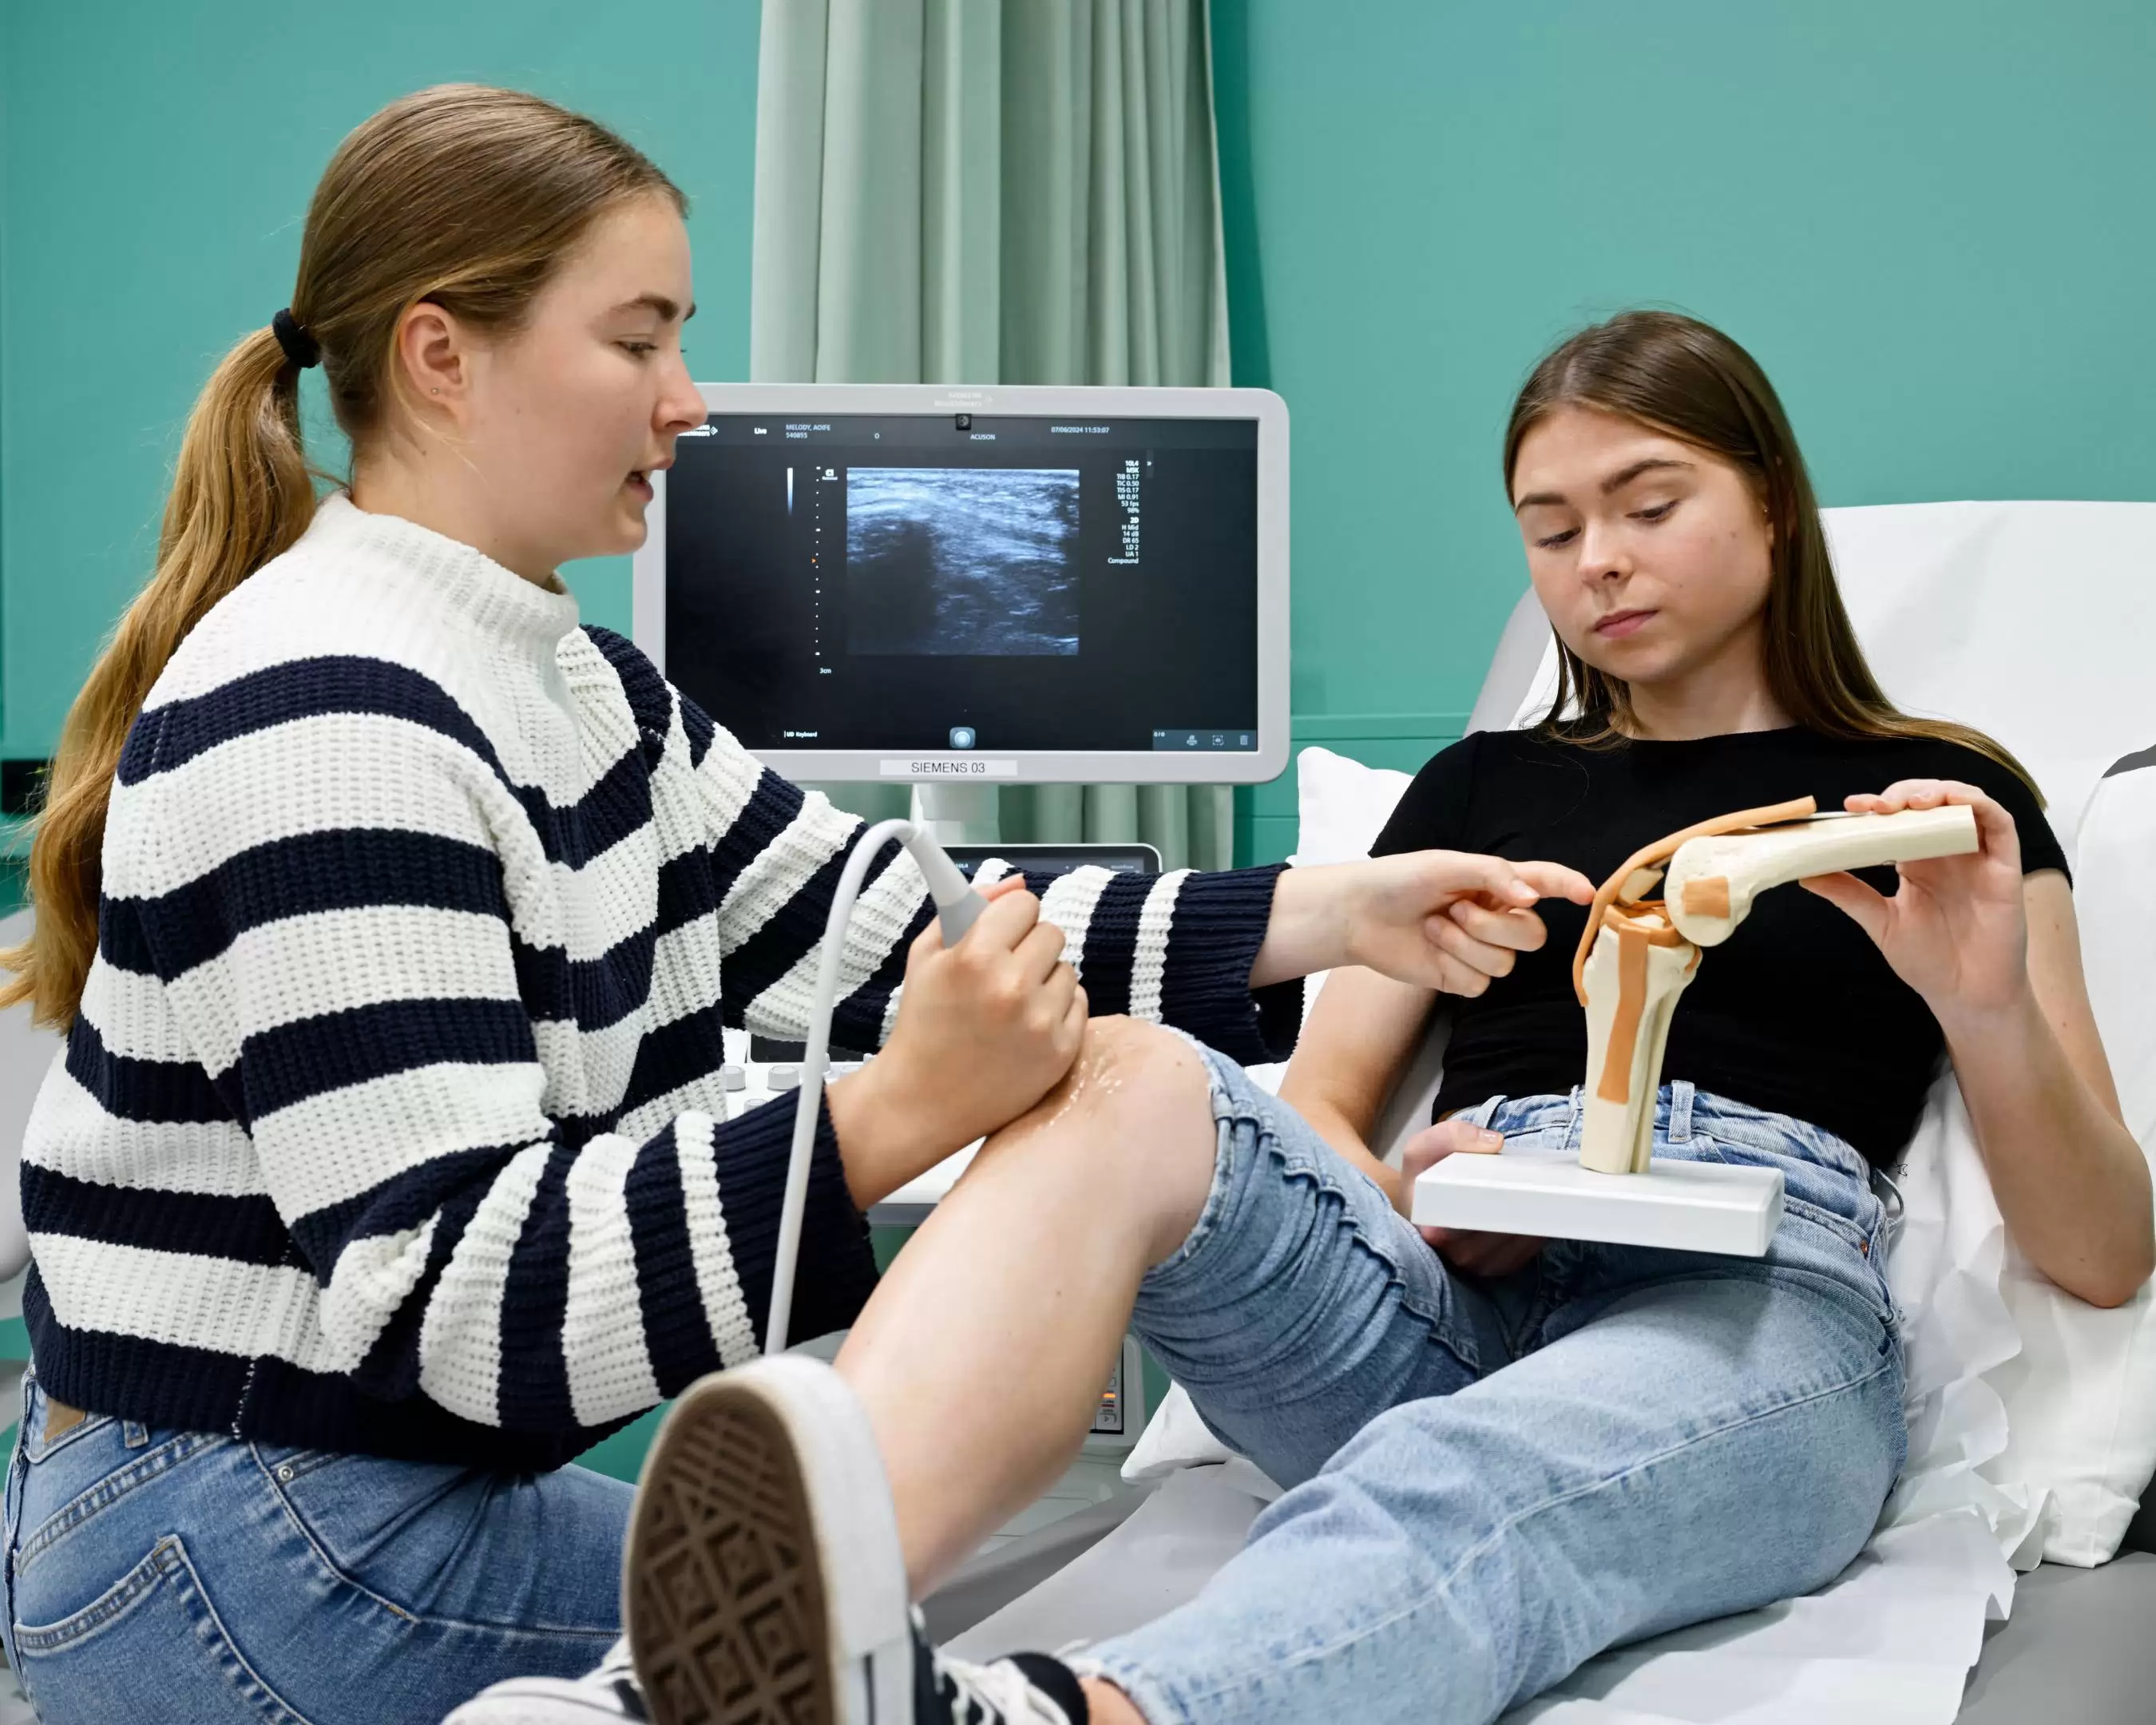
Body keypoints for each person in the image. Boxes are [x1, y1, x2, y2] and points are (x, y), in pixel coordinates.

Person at [0, 86, 1587, 1725]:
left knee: (869, 1679)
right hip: (241, 1545)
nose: (689, 403)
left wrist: (1338, 916)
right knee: (869, 1688)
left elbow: (888, 916)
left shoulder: (573, 683)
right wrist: (899, 1109)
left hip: (365, 1493)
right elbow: (469, 1310)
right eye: (638, 342)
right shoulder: (331, 716)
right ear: (440, 356)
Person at [462, 310, 2152, 1725]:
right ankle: (714, 1672)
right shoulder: (1477, 785)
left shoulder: (1932, 808)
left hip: (1750, 1308)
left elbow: (2100, 1253)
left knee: (1477, 1485)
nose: (1601, 563)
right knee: (1130, 1067)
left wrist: (1979, 1005)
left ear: (1773, 507)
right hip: (1452, 1278)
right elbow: (1323, 1112)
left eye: (1649, 503)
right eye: (1552, 531)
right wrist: (1414, 1182)